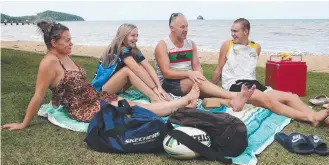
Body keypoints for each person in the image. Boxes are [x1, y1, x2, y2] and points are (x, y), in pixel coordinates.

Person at [0, 20, 202, 131]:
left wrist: (157, 87)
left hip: (94, 97)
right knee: (136, 108)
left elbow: (143, 66)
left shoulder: (64, 55)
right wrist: (23, 124)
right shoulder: (49, 63)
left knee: (129, 103)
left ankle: (178, 103)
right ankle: (183, 102)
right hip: (83, 108)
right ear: (53, 43)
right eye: (67, 40)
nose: (71, 43)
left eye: (71, 39)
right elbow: (38, 95)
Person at [212, 18, 329, 127]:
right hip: (236, 85)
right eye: (231, 31)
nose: (232, 34)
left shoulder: (256, 47)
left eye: (235, 31)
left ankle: (325, 119)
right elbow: (219, 68)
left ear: (246, 31)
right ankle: (313, 118)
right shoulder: (227, 45)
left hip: (254, 84)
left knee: (291, 97)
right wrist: (213, 88)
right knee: (269, 101)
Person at [154, 13, 256, 111]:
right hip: (169, 84)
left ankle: (230, 103)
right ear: (172, 28)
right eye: (182, 27)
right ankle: (235, 95)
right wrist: (190, 74)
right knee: (201, 84)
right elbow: (166, 73)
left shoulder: (190, 44)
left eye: (187, 26)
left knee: (209, 97)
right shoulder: (163, 45)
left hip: (189, 81)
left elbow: (197, 66)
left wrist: (199, 76)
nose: (186, 30)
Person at [96, 23, 171, 103]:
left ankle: (156, 96)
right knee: (128, 70)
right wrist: (154, 89)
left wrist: (159, 87)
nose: (136, 38)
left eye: (137, 35)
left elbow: (148, 67)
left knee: (140, 67)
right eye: (133, 35)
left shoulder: (134, 50)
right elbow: (136, 69)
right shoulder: (120, 48)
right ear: (123, 36)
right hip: (101, 90)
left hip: (115, 87)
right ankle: (155, 99)